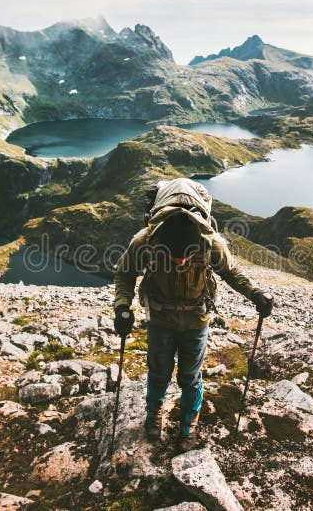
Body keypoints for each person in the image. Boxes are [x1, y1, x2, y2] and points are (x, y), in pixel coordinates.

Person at [113, 179, 274, 451]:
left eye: (185, 258)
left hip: (196, 321)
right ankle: (153, 417)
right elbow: (125, 271)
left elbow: (231, 272)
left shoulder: (211, 242)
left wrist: (256, 294)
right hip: (160, 319)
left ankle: (188, 427)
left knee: (190, 376)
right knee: (158, 373)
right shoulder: (145, 240)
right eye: (175, 258)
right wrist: (122, 306)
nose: (180, 263)